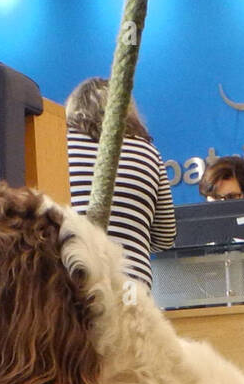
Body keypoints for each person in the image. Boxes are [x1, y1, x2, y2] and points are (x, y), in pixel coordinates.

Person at [66, 77, 176, 288]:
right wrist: (134, 236)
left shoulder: (57, 144)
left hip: (74, 285)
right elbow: (165, 236)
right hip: (131, 287)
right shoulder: (146, 151)